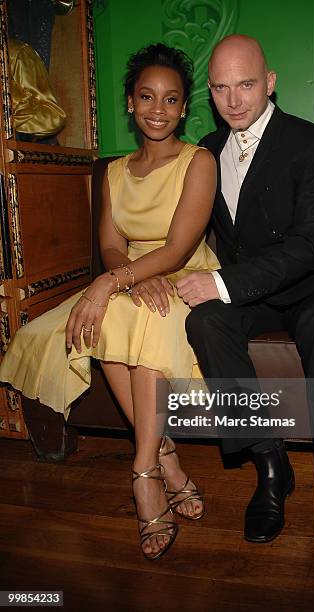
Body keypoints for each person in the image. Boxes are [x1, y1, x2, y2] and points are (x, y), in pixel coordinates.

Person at [0, 43, 220, 561]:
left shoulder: (199, 162)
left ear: (184, 108)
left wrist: (111, 282)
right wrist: (121, 277)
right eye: (147, 97)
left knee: (141, 313)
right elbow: (111, 243)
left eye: (170, 100)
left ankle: (142, 470)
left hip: (185, 273)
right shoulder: (116, 170)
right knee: (101, 316)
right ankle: (164, 454)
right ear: (129, 102)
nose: (158, 110)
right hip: (132, 275)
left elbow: (177, 247)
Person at [164, 34, 314, 596]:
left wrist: (224, 283)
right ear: (210, 91)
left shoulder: (312, 143)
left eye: (246, 84)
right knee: (204, 322)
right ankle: (269, 463)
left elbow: (312, 242)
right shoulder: (205, 149)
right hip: (250, 292)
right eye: (222, 88)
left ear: (270, 81)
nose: (234, 100)